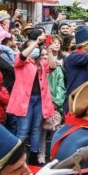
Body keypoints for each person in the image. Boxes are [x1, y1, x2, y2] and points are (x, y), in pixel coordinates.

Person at [8, 29, 55, 165]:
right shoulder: (21, 62)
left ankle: (33, 156)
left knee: (36, 129)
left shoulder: (41, 62)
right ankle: (15, 158)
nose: (35, 48)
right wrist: (35, 44)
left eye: (37, 46)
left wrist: (50, 52)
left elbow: (52, 67)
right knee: (23, 130)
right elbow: (22, 56)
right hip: (25, 101)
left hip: (39, 100)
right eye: (31, 46)